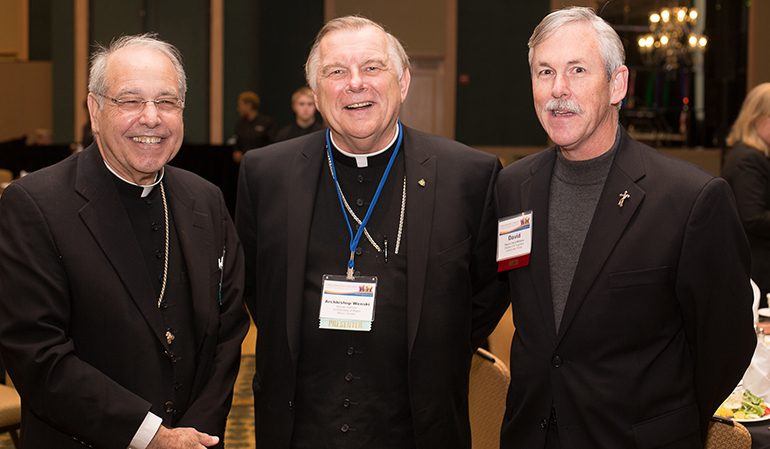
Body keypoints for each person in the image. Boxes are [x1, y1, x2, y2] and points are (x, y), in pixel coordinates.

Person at [236, 15, 508, 449]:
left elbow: (488, 291)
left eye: (372, 67)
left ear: (402, 83)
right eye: (336, 72)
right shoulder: (265, 174)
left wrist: (433, 347)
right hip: (299, 425)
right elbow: (254, 284)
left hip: (418, 424)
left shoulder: (470, 176)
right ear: (317, 92)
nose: (355, 84)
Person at [496, 7, 756, 448]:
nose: (558, 90)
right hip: (530, 434)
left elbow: (726, 344)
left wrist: (664, 421)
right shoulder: (512, 186)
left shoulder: (690, 198)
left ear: (618, 85)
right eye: (545, 72)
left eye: (577, 70)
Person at [0, 34, 249, 449]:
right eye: (130, 101)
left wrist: (194, 436)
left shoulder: (204, 199)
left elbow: (228, 330)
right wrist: (153, 438)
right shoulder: (35, 205)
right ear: (95, 111)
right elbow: (38, 355)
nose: (151, 118)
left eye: (167, 102)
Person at [722, 83, 770, 309]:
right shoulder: (747, 159)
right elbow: (752, 217)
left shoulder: (759, 155)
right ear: (756, 119)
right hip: (759, 266)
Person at [231, 91, 276, 163]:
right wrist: (236, 152)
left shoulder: (266, 122)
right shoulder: (240, 124)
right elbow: (237, 142)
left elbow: (272, 144)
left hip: (262, 163)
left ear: (248, 105)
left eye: (240, 105)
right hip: (244, 163)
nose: (238, 109)